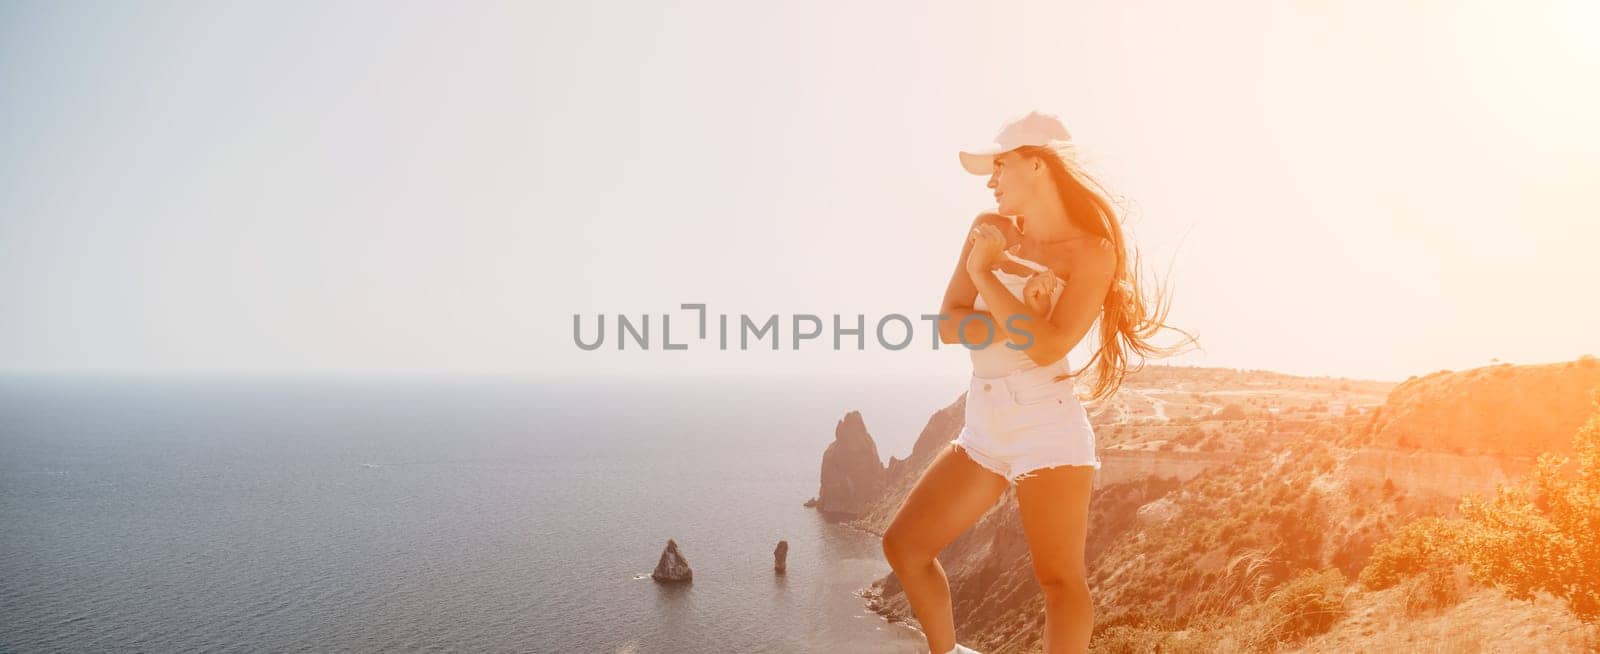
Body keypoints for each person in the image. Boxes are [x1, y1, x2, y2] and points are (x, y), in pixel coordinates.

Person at [880, 111, 1196, 654]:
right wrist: (1020, 314)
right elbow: (950, 325)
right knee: (905, 547)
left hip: (1045, 419)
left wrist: (986, 276)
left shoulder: (1094, 253)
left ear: (1037, 164)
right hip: (983, 422)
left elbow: (1050, 347)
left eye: (999, 165)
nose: (991, 179)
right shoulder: (989, 228)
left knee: (1058, 579)